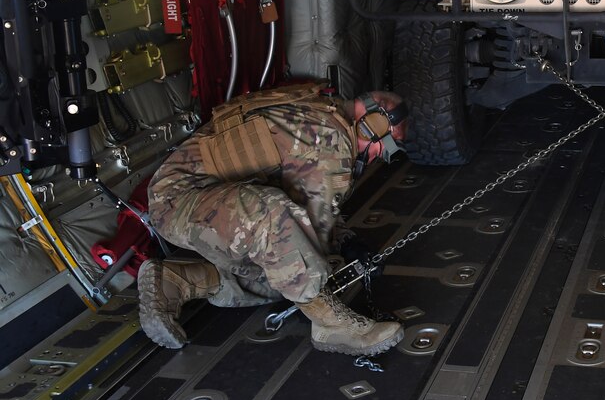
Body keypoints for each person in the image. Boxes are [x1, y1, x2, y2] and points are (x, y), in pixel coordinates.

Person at [137, 82, 408, 357]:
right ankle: (331, 324)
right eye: (382, 146)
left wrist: (347, 240)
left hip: (191, 201)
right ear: (371, 123)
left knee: (282, 271)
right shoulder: (332, 142)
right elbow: (312, 232)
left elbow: (303, 198)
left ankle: (178, 280)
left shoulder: (326, 113)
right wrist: (332, 261)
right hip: (179, 203)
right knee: (293, 255)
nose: (376, 157)